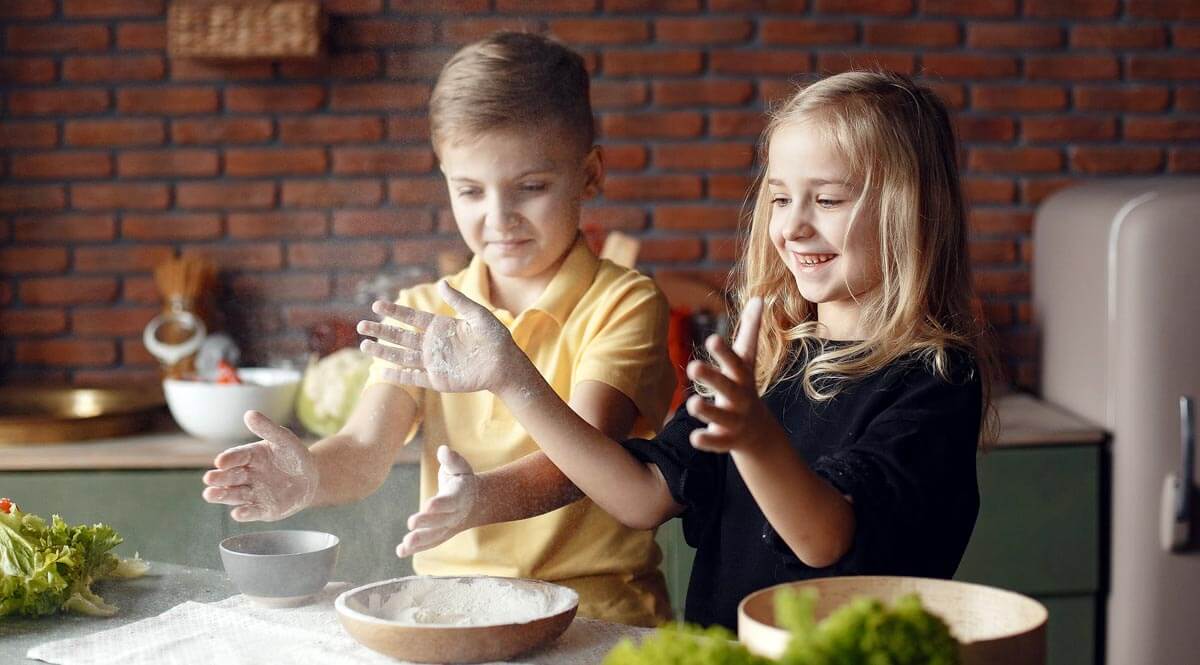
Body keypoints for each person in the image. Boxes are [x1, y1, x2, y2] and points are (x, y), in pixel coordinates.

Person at [358, 70, 997, 630]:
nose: (793, 225)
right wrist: (510, 377)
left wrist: (752, 435)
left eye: (827, 199)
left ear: (907, 213)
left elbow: (824, 540)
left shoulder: (936, 380)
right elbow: (639, 497)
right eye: (779, 197)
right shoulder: (765, 365)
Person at [201, 31, 677, 627]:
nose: (498, 218)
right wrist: (311, 476)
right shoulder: (423, 311)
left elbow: (579, 465)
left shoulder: (623, 301)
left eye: (530, 188)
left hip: (599, 615)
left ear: (589, 174)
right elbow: (365, 450)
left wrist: (481, 497)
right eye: (470, 190)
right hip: (456, 612)